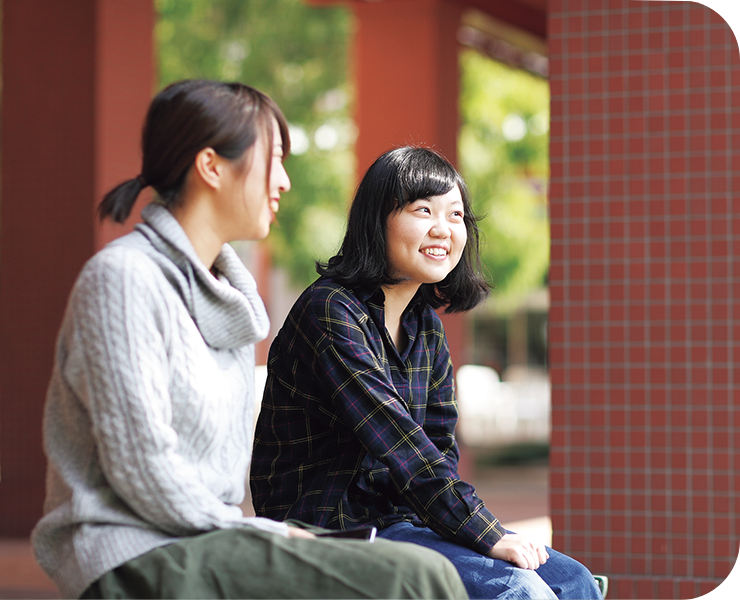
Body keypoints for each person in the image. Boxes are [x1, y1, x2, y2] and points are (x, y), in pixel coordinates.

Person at [31, 81, 470, 600]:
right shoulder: (126, 278)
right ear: (211, 165)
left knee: (439, 571)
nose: (283, 180)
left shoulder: (230, 301)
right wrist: (259, 531)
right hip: (130, 550)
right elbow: (143, 471)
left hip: (206, 537)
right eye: (273, 159)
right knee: (414, 577)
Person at [250, 146, 604, 600]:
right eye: (423, 210)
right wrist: (485, 532)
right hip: (329, 529)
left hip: (403, 523)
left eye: (455, 215)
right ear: (377, 220)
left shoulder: (425, 326)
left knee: (572, 579)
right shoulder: (330, 311)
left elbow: (439, 449)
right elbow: (402, 445)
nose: (443, 229)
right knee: (515, 589)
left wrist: (466, 532)